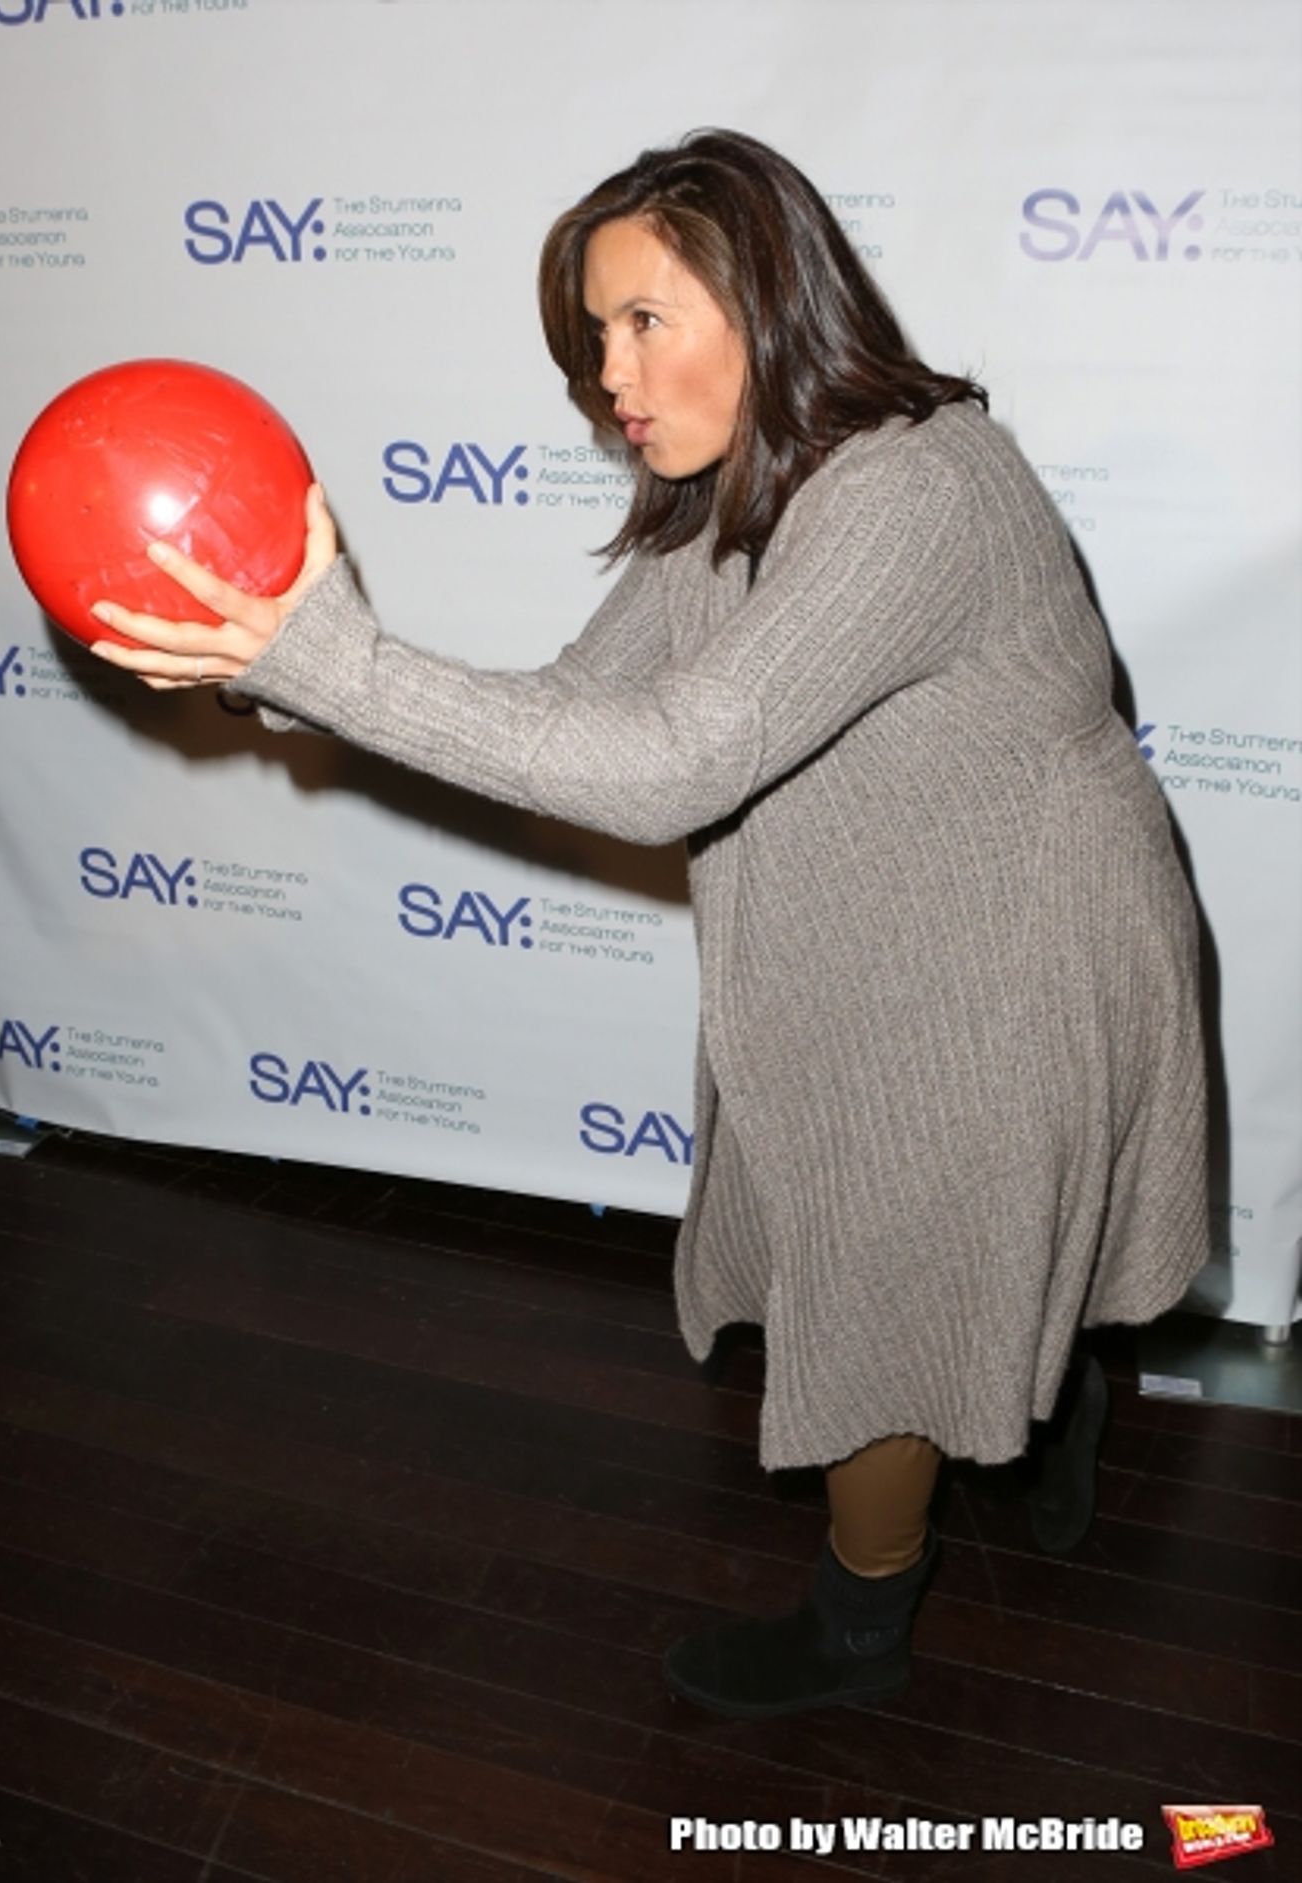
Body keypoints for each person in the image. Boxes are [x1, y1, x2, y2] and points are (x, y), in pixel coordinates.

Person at [89, 129, 1209, 1720]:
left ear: (770, 297)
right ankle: (1050, 1399)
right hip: (864, 924)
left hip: (1012, 949)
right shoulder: (726, 488)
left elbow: (677, 763)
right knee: (948, 1258)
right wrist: (285, 670)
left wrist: (323, 664)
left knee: (891, 1297)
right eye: (592, 336)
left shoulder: (912, 491)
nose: (610, 375)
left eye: (644, 322)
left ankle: (858, 1626)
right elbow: (575, 711)